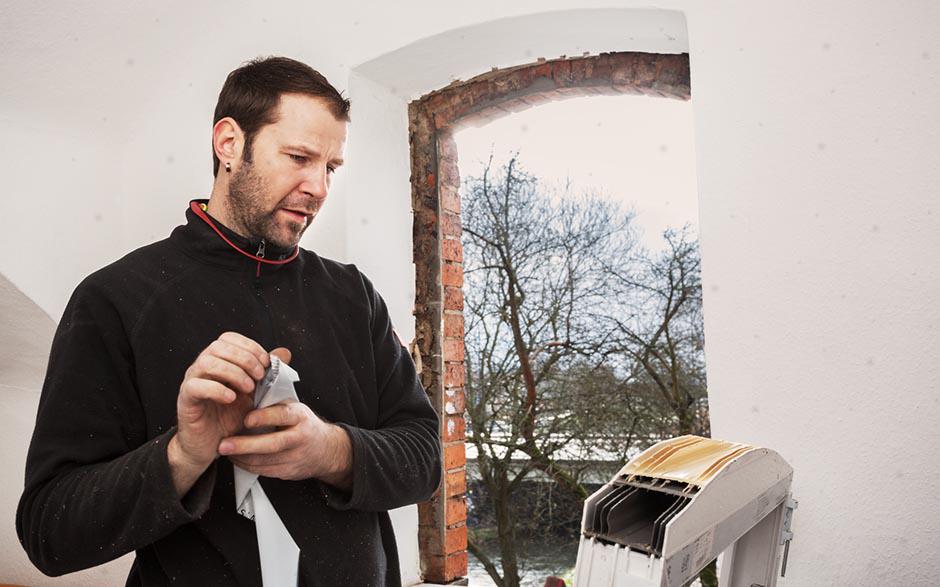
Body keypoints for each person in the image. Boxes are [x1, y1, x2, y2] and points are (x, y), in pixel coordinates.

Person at [16, 56, 442, 586]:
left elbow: (426, 461)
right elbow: (48, 534)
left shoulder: (353, 296)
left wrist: (327, 449)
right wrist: (184, 454)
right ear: (229, 144)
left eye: (330, 167)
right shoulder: (114, 300)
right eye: (298, 157)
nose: (319, 188)